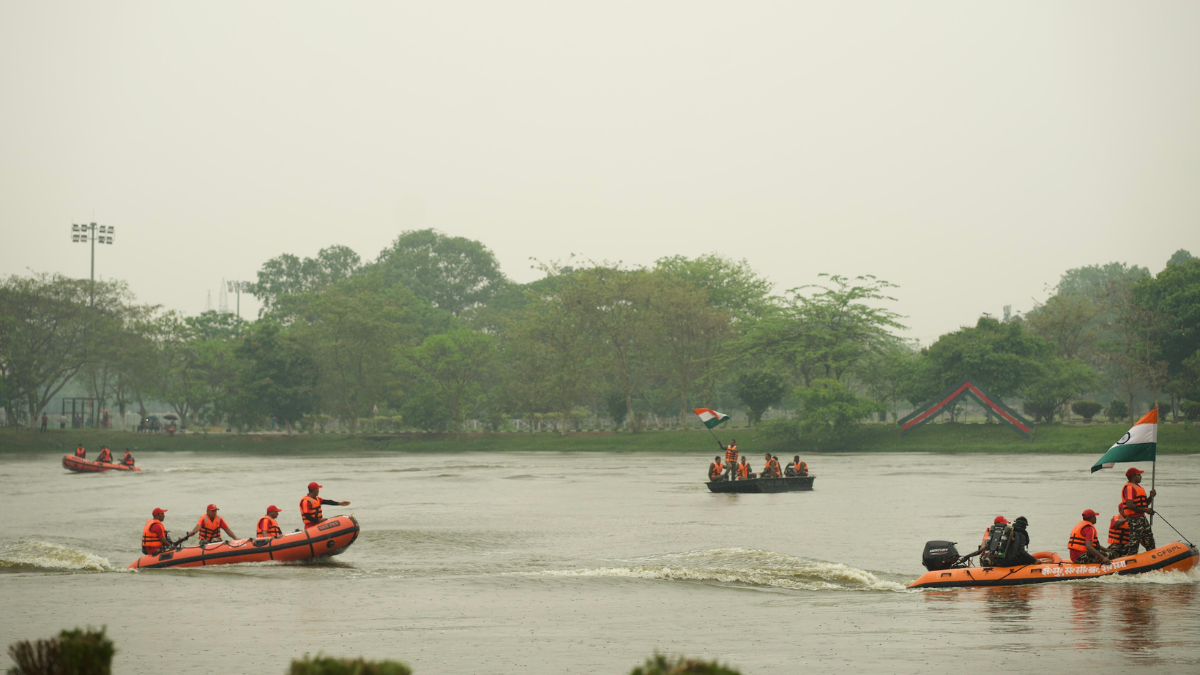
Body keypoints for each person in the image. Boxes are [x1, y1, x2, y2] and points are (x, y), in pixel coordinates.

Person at [1120, 467, 1156, 553]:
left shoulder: (1138, 487)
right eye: (1139, 475)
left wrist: (1151, 497)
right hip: (1134, 520)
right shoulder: (1129, 488)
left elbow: (1144, 504)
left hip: (1142, 519)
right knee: (1134, 544)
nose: (1141, 476)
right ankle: (1131, 559)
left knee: (1150, 541)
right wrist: (1146, 510)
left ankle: (1153, 556)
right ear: (1133, 476)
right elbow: (1129, 505)